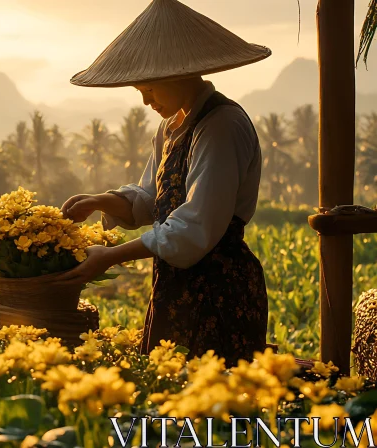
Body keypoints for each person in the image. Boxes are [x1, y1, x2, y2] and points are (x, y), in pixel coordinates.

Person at [53, 0, 271, 367]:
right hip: (176, 288)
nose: (143, 100)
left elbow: (192, 228)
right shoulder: (171, 126)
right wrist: (100, 201)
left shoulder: (220, 126)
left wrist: (110, 257)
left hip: (218, 292)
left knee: (210, 410)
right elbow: (151, 201)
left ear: (179, 73)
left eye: (149, 87)